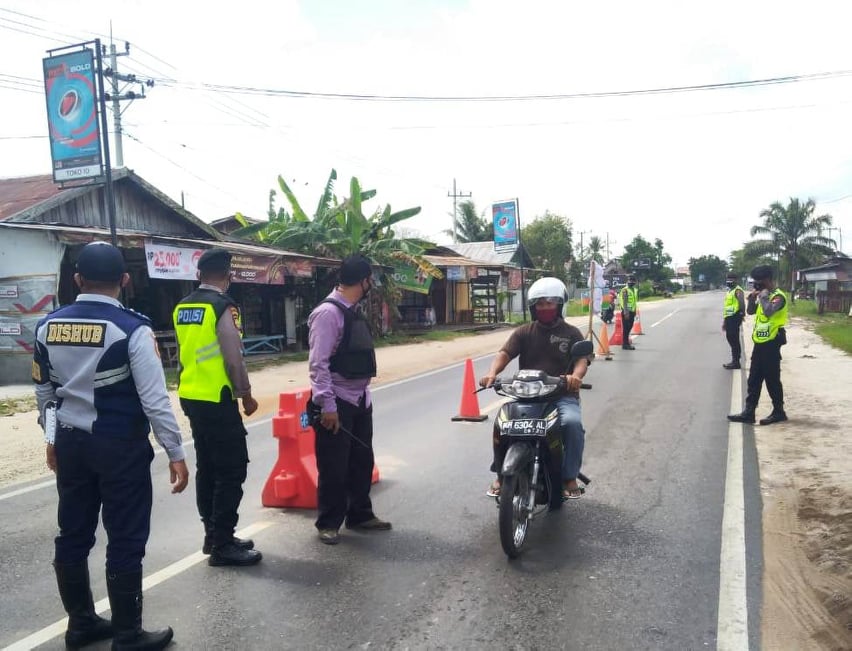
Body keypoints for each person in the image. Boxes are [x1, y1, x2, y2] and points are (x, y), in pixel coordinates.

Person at [32, 241, 189, 651]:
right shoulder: (133, 329)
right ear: (125, 280)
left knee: (73, 534)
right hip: (118, 447)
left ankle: (81, 625)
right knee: (124, 537)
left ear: (77, 279)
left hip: (69, 443)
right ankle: (127, 635)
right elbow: (154, 400)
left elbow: (44, 393)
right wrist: (175, 451)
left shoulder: (48, 326)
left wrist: (50, 440)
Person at [173, 248, 262, 566]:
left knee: (208, 467)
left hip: (191, 396)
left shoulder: (183, 306)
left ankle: (213, 535)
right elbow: (232, 354)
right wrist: (246, 394)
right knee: (231, 468)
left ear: (198, 275)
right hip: (217, 397)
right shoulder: (223, 306)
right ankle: (223, 543)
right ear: (229, 276)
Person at [479, 277, 591, 501]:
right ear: (533, 307)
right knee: (503, 423)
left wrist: (575, 377)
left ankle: (569, 477)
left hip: (561, 395)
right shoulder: (524, 332)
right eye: (540, 304)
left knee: (572, 424)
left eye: (549, 303)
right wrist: (492, 373)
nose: (545, 308)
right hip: (526, 395)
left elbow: (582, 360)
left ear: (559, 305)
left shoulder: (571, 333)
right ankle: (501, 475)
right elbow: (505, 354)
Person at [307, 253, 392, 545]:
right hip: (337, 401)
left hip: (359, 400)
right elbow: (318, 365)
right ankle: (328, 523)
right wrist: (327, 406)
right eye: (371, 280)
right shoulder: (328, 314)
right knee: (334, 466)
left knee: (361, 460)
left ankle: (360, 514)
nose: (372, 285)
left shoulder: (353, 309)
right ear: (364, 281)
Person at [728, 265, 789, 426]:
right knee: (754, 378)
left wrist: (763, 295)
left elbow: (769, 311)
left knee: (772, 379)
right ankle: (749, 412)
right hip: (760, 343)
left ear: (768, 280)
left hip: (772, 343)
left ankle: (778, 411)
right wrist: (752, 299)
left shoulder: (778, 297)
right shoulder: (763, 295)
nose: (756, 285)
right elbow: (751, 311)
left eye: (759, 282)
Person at [722, 272, 746, 369]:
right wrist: (724, 321)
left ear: (736, 280)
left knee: (734, 339)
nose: (729, 281)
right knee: (730, 338)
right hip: (728, 318)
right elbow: (727, 307)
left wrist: (741, 314)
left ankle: (736, 361)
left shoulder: (738, 290)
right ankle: (734, 360)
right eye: (728, 279)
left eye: (731, 279)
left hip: (735, 317)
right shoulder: (729, 291)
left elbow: (741, 303)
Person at [619, 275, 639, 350]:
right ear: (628, 282)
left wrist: (634, 311)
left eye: (632, 281)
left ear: (635, 282)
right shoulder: (625, 290)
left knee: (629, 327)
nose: (631, 282)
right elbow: (624, 301)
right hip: (626, 312)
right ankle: (625, 344)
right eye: (630, 281)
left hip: (632, 311)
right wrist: (626, 312)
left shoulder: (635, 290)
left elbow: (634, 301)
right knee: (626, 328)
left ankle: (626, 343)